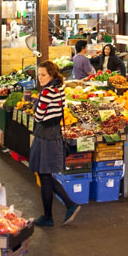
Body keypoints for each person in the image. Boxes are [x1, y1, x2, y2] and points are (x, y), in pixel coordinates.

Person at [29, 60, 81, 227]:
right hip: (55, 134)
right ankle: (56, 211)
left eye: (43, 75)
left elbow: (38, 116)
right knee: (46, 175)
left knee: (44, 175)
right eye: (39, 74)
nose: (40, 77)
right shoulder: (59, 89)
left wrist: (33, 101)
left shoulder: (46, 93)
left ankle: (61, 209)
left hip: (45, 136)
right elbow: (59, 108)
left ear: (51, 75)